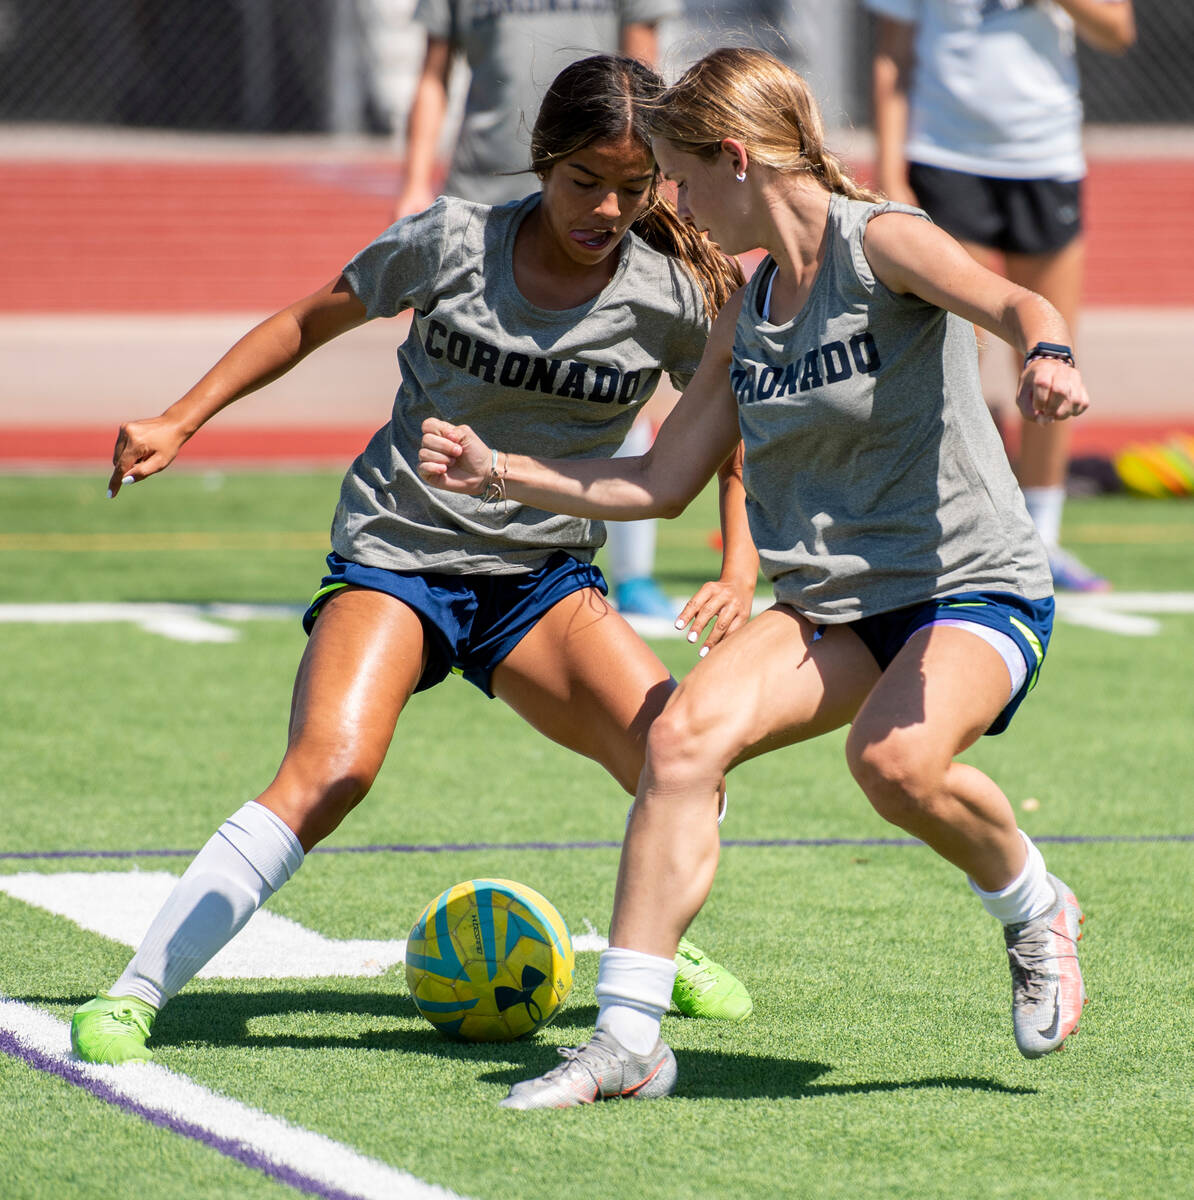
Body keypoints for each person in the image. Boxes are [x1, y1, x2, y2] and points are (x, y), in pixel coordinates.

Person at [418, 47, 1091, 1109]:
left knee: (897, 761)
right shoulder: (750, 303)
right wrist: (502, 471)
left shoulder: (885, 242)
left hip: (970, 583)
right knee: (683, 738)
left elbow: (1017, 305)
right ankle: (627, 1044)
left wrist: (1047, 358)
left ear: (735, 158)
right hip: (836, 604)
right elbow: (661, 479)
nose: (670, 202)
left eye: (680, 177)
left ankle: (1033, 904)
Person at [69, 54, 758, 1067]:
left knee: (683, 759)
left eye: (632, 186)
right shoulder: (450, 243)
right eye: (582, 182)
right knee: (332, 770)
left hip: (541, 580)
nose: (606, 207)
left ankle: (656, 944)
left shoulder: (675, 298)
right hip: (401, 554)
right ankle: (136, 993)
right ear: (541, 163)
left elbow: (731, 439)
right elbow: (308, 319)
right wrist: (181, 418)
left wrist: (740, 567)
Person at [395, 0, 685, 620]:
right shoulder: (458, 231)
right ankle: (430, 557)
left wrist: (642, 185)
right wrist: (415, 181)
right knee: (468, 383)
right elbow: (434, 72)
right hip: (490, 187)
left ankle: (628, 572)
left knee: (612, 377)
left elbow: (641, 70)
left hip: (600, 190)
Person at [868, 0, 1136, 592]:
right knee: (946, 348)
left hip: (1045, 157)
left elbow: (1117, 29)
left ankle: (1042, 536)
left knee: (1049, 348)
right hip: (945, 153)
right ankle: (926, 527)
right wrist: (890, 164)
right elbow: (892, 50)